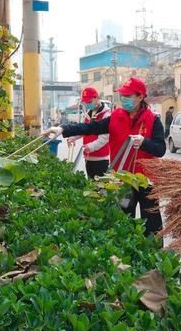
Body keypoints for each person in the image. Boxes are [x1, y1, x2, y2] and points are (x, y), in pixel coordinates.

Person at [44, 77, 166, 237]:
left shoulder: (153, 120)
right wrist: (63, 129)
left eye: (128, 96)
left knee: (151, 223)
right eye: (123, 95)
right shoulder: (116, 117)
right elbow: (90, 127)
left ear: (140, 97)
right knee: (123, 221)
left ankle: (154, 255)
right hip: (122, 180)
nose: (124, 99)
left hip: (146, 181)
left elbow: (160, 149)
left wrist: (144, 142)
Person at [67, 87, 111, 178]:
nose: (87, 104)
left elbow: (105, 138)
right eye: (86, 102)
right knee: (91, 185)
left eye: (89, 102)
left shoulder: (106, 115)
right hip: (88, 156)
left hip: (101, 158)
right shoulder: (89, 114)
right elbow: (84, 129)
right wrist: (74, 137)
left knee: (99, 188)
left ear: (97, 98)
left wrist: (90, 147)